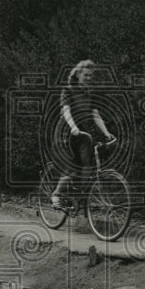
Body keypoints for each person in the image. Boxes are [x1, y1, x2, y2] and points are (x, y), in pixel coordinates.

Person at [51, 59, 115, 207]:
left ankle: (80, 197)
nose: (88, 78)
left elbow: (95, 114)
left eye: (90, 76)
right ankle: (56, 194)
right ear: (78, 74)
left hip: (82, 133)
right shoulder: (68, 90)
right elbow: (66, 111)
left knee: (87, 165)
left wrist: (106, 133)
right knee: (72, 169)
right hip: (65, 132)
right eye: (86, 75)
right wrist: (73, 127)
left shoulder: (88, 92)